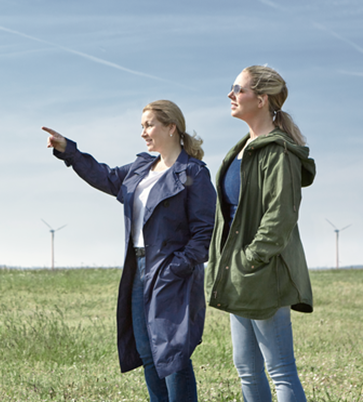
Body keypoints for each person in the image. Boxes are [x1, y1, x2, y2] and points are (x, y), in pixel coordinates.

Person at [43, 100, 216, 402]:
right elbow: (104, 176)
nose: (143, 133)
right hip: (137, 269)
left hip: (171, 272)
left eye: (149, 125)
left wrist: (177, 267)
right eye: (142, 126)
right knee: (148, 353)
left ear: (171, 127)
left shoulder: (194, 173)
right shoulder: (140, 167)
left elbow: (203, 233)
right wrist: (68, 150)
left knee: (172, 355)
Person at [205, 65, 315, 402]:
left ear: (262, 99)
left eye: (238, 88)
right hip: (239, 272)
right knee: (248, 372)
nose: (231, 94)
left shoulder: (278, 152)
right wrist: (230, 263)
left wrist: (251, 259)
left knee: (280, 370)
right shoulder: (243, 149)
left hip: (262, 272)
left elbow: (279, 216)